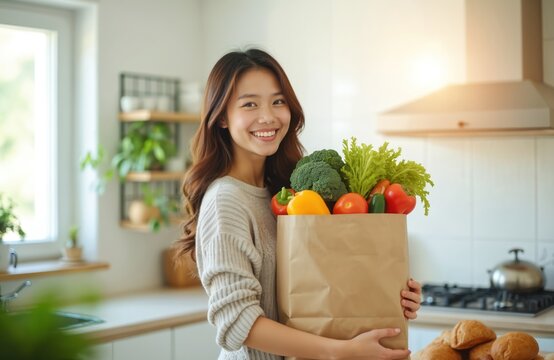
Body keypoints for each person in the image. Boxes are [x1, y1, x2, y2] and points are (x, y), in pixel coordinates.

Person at [175, 48, 422, 360]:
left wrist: (388, 294)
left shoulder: (286, 190)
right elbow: (238, 323)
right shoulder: (226, 201)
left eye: (278, 101)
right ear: (222, 117)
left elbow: (327, 280)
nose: (268, 116)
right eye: (250, 104)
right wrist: (340, 352)